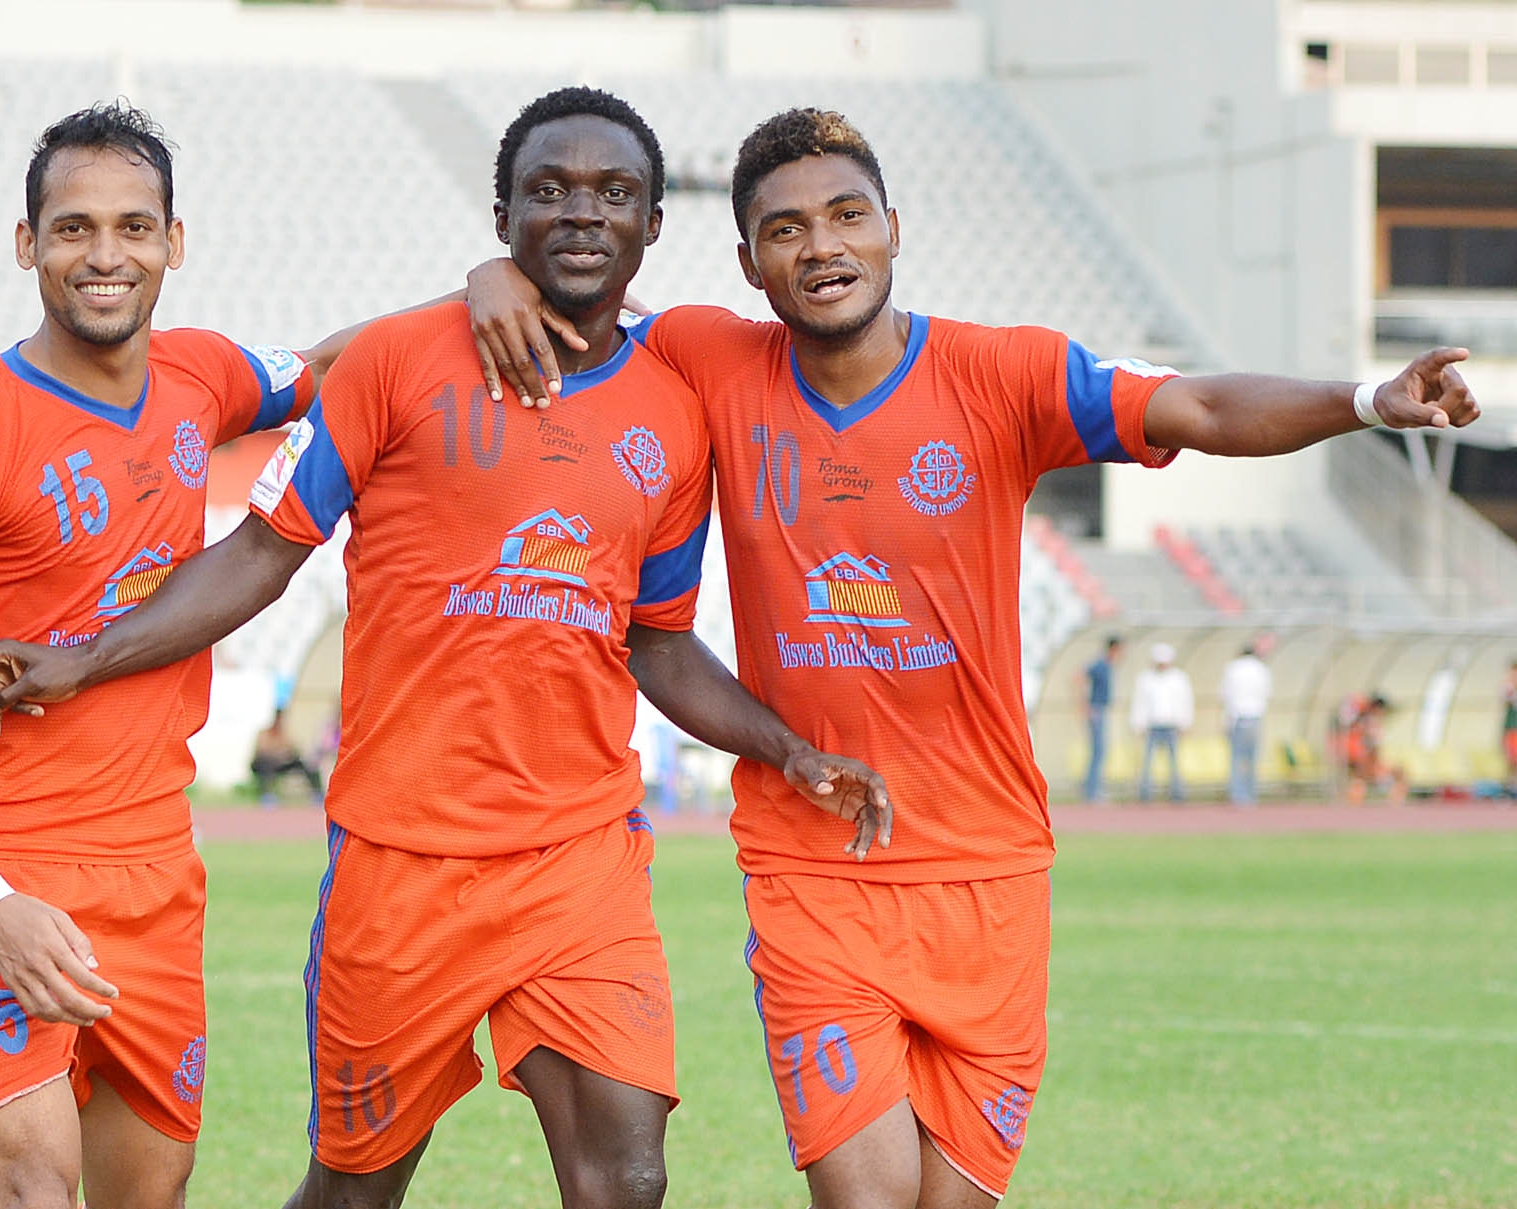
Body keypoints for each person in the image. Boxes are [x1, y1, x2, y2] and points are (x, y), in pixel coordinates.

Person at [462, 106, 1477, 1206]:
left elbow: (1201, 403)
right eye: (787, 229)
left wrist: (1370, 399)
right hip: (815, 867)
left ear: (895, 229)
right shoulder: (711, 357)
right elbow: (583, 293)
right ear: (749, 263)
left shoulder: (1005, 375)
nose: (824, 247)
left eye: (848, 216)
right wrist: (489, 275)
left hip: (989, 872)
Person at [0, 87, 890, 1209]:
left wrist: (784, 747)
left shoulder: (676, 408)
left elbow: (661, 646)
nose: (582, 216)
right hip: (399, 869)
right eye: (550, 193)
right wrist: (87, 657)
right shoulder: (393, 363)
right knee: (353, 1192)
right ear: (500, 219)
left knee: (625, 1177)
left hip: (578, 862)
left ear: (654, 228)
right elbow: (258, 553)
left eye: (614, 195)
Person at [0, 103, 321, 1209]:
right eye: (72, 229)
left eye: (133, 228)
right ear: (27, 243)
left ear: (174, 242)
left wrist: (494, 287)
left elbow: (345, 365)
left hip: (155, 868)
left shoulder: (206, 376)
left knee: (149, 1194)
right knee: (32, 1186)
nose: (105, 256)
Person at [1131, 643, 1194, 802]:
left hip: (1172, 725)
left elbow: (1185, 701)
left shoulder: (1179, 678)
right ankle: (1145, 793)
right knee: (1147, 762)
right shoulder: (1146, 678)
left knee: (1175, 762)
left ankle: (1177, 793)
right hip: (1152, 725)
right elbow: (1140, 702)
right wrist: (1138, 723)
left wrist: (1185, 722)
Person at [1219, 641, 1272, 806]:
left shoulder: (1233, 668)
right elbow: (1267, 693)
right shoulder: (1262, 669)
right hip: (1255, 716)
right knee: (1253, 759)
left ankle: (1237, 795)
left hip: (1237, 717)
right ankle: (1251, 795)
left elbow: (1225, 694)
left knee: (1236, 759)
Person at [250, 708, 323, 804]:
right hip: (264, 764)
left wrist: (287, 753)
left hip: (281, 764)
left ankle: (317, 793)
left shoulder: (284, 734)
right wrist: (278, 753)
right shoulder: (264, 733)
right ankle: (267, 795)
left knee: (305, 764)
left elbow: (293, 749)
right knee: (266, 765)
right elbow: (261, 752)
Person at [1083, 634, 1122, 802]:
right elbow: (1078, 677)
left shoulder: (1107, 665)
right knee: (1098, 752)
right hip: (1097, 710)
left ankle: (1093, 789)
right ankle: (1092, 791)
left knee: (1100, 752)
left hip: (1101, 710)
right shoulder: (1100, 664)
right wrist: (1085, 705)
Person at [1501, 661, 1517, 795]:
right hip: (1512, 729)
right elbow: (1505, 700)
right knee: (1512, 760)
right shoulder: (1508, 687)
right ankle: (1511, 789)